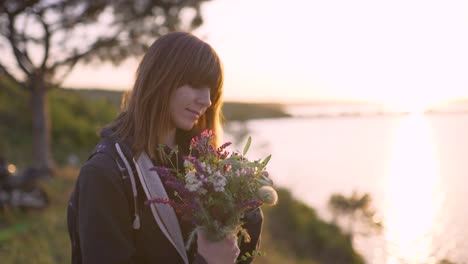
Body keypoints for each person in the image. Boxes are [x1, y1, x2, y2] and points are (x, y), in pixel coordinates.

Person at [67, 32, 263, 264]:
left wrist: (244, 212)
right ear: (159, 79)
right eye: (195, 84)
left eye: (211, 90)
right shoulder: (106, 174)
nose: (207, 100)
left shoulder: (202, 169)